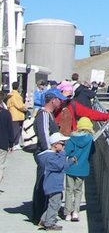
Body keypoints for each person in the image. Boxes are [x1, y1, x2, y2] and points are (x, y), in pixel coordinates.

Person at [32, 89, 66, 224]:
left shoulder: (48, 114)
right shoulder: (44, 115)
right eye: (60, 100)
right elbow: (44, 137)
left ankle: (41, 215)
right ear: (53, 100)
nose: (61, 103)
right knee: (42, 184)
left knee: (45, 184)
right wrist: (51, 154)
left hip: (47, 154)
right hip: (46, 155)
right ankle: (39, 215)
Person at [36, 133, 74, 230]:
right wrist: (63, 153)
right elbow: (59, 165)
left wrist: (70, 161)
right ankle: (49, 224)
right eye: (62, 143)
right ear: (55, 145)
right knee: (55, 204)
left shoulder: (54, 156)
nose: (64, 146)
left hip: (55, 184)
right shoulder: (50, 157)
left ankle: (44, 220)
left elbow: (62, 166)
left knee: (54, 203)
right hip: (53, 185)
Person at [63, 118, 94, 222]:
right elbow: (92, 152)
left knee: (68, 190)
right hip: (82, 168)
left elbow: (66, 152)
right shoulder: (90, 139)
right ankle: (75, 212)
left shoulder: (72, 138)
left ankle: (67, 213)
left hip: (71, 167)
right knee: (78, 191)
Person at [0, 91, 14, 187]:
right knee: (1, 165)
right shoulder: (6, 113)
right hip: (3, 142)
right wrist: (11, 143)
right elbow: (10, 128)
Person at [7, 80, 27, 147]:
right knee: (16, 130)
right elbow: (20, 106)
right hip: (17, 115)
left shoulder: (10, 95)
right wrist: (25, 109)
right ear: (18, 87)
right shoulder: (16, 96)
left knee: (14, 129)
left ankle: (14, 143)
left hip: (11, 114)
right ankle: (15, 144)